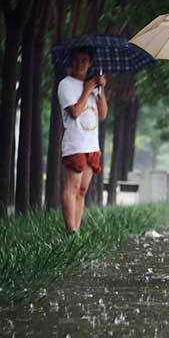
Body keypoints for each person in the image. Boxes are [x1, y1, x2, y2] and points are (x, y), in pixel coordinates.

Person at [58, 47, 108, 233]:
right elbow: (75, 112)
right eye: (77, 60)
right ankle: (69, 230)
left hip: (92, 145)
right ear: (71, 61)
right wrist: (87, 90)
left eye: (85, 60)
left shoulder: (94, 87)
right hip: (75, 144)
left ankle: (76, 229)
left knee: (82, 190)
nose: (81, 64)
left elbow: (102, 115)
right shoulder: (66, 85)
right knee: (73, 186)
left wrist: (101, 91)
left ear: (90, 64)